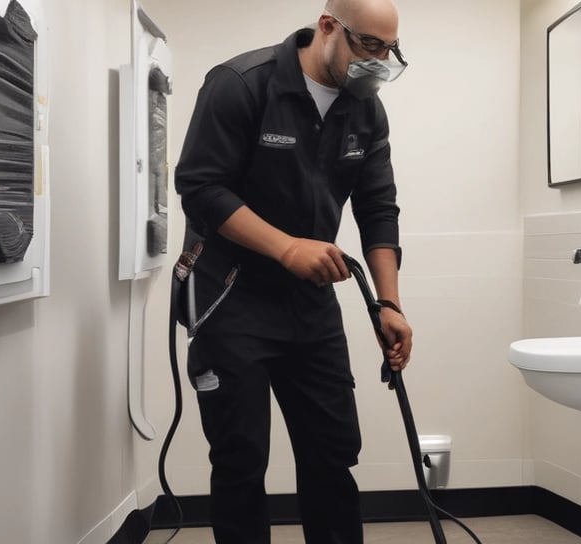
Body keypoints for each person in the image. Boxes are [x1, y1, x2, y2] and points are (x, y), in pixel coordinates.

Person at [172, 0, 412, 542]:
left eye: (390, 49)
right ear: (328, 27)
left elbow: (378, 209)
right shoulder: (241, 84)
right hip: (230, 297)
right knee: (241, 459)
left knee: (332, 453)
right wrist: (284, 248)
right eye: (369, 45)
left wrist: (388, 304)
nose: (380, 60)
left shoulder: (365, 109)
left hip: (310, 304)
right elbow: (201, 188)